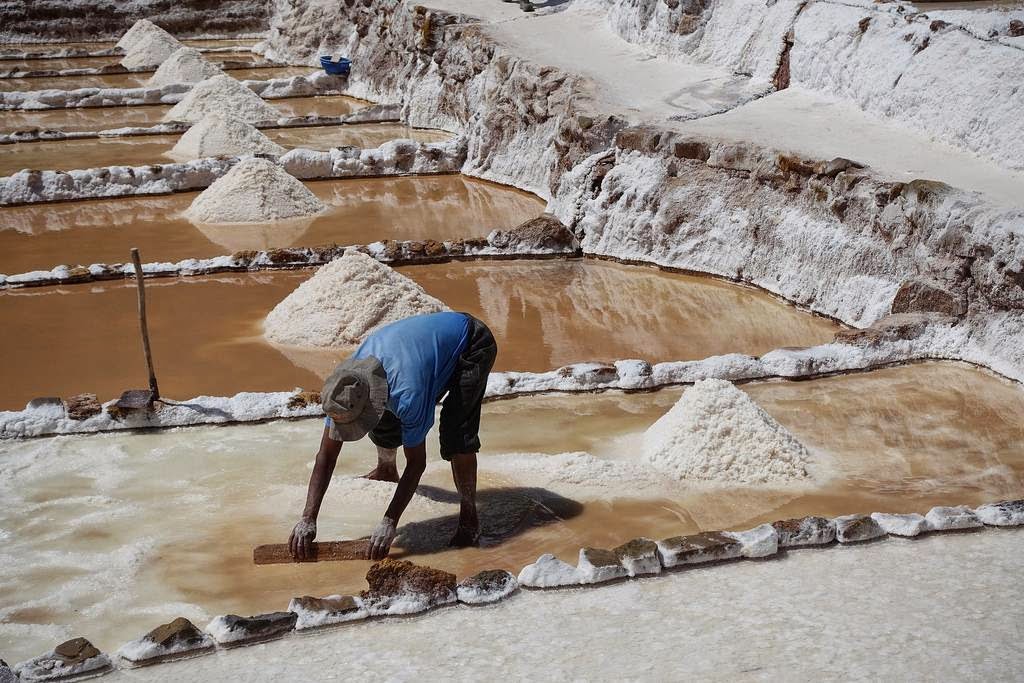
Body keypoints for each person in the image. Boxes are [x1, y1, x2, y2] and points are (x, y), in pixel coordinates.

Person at [288, 311, 497, 561]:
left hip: (471, 343)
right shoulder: (345, 388)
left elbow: (416, 463)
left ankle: (469, 517)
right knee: (385, 423)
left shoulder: (407, 395)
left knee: (457, 433)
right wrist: (308, 518)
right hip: (416, 355)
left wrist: (390, 521)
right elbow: (326, 456)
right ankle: (386, 469)